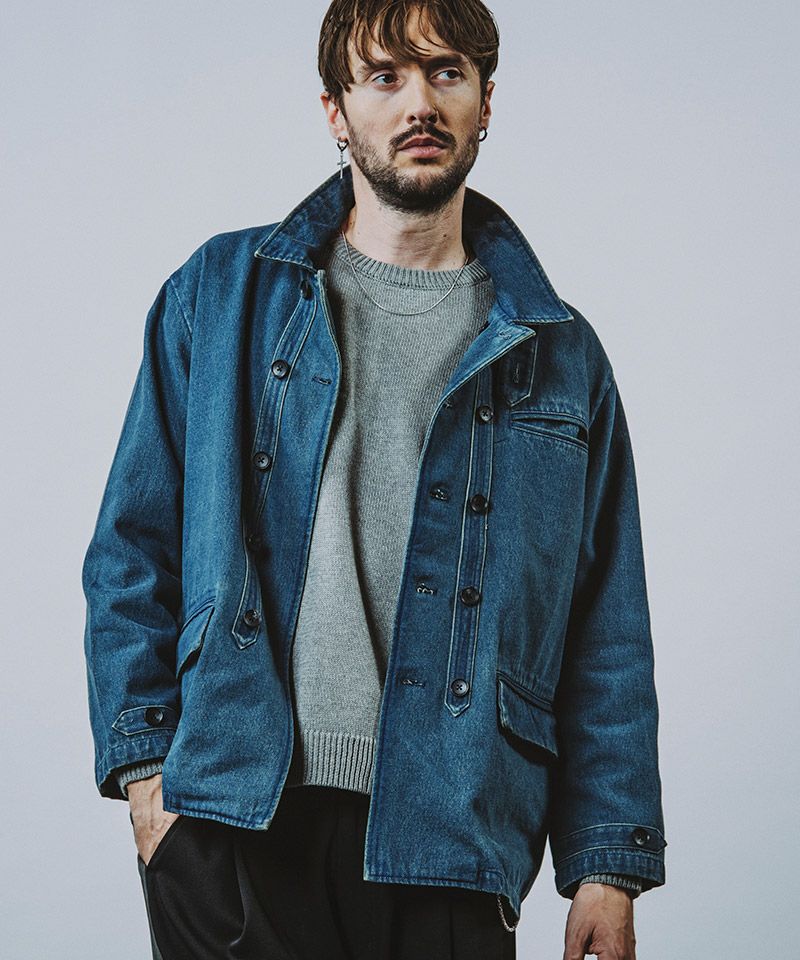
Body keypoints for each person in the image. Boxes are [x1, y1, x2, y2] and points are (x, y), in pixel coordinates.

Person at [81, 2, 667, 958]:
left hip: (454, 838)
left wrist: (606, 864)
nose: (418, 103)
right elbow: (131, 553)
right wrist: (151, 785)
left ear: (485, 103)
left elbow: (606, 630)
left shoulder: (562, 356)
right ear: (336, 110)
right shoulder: (220, 296)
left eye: (446, 72)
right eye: (385, 77)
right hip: (238, 822)